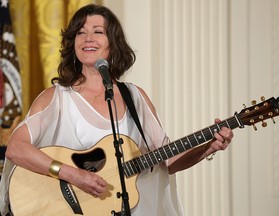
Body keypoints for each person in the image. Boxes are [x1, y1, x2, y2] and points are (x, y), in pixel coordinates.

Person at [0, 4, 233, 216]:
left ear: (113, 42)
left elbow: (169, 161)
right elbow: (16, 148)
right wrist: (73, 175)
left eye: (98, 31)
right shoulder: (57, 97)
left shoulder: (135, 97)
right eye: (80, 32)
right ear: (73, 43)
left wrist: (208, 146)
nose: (87, 38)